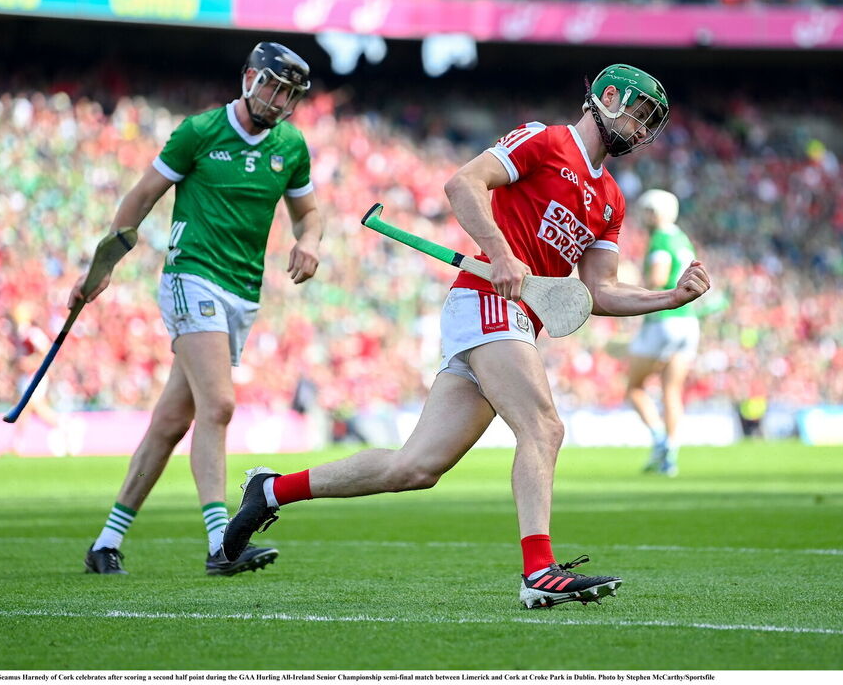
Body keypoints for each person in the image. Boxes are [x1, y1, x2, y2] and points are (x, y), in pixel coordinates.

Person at [221, 64, 712, 608]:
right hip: (485, 303)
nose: (642, 130)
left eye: (650, 124)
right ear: (608, 97)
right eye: (638, 114)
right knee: (544, 427)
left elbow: (597, 291)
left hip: (514, 320)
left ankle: (270, 489)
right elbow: (463, 182)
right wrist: (502, 253)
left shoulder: (612, 201)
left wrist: (669, 298)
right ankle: (539, 570)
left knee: (416, 467)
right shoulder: (545, 140)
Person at [73, 42, 323, 577]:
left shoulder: (291, 146)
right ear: (249, 78)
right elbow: (142, 197)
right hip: (192, 277)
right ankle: (221, 544)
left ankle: (105, 543)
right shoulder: (199, 132)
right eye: (273, 87)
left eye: (290, 95)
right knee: (220, 405)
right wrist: (103, 266)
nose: (279, 101)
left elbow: (309, 212)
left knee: (170, 422)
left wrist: (311, 241)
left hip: (242, 293)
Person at [625, 189, 700, 476]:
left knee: (635, 387)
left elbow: (657, 278)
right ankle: (671, 454)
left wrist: (633, 281)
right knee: (672, 389)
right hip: (687, 322)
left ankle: (659, 440)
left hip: (662, 321)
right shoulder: (682, 238)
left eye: (647, 211)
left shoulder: (660, 238)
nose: (644, 217)